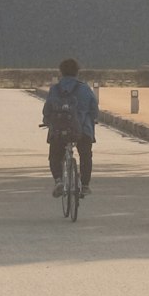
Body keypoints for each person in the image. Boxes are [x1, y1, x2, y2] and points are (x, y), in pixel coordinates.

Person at [42, 58, 99, 197]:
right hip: (82, 130)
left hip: (59, 131)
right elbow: (94, 111)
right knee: (86, 156)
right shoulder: (85, 89)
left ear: (61, 72)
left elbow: (47, 111)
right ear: (77, 72)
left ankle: (59, 181)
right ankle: (85, 185)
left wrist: (48, 121)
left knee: (55, 155)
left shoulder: (55, 89)